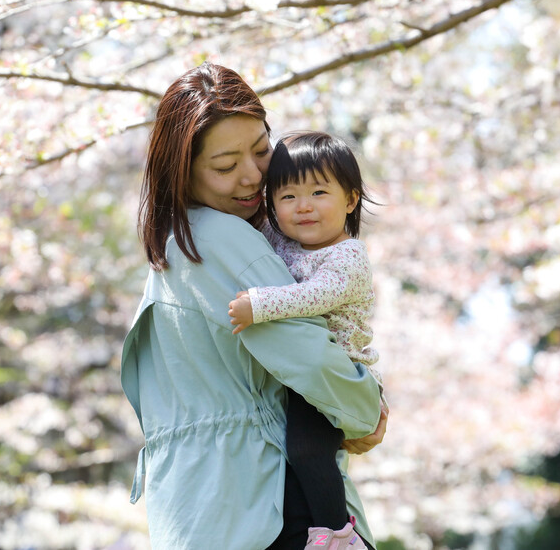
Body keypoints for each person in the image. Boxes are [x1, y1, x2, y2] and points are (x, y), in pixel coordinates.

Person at [121, 62, 387, 550]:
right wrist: (367, 408)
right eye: (225, 166)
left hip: (197, 513)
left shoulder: (170, 254)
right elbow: (306, 354)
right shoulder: (223, 239)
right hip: (274, 505)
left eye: (262, 150)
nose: (251, 176)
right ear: (181, 170)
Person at [227, 131, 382, 546]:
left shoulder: (347, 256)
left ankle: (336, 535)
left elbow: (316, 295)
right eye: (288, 197)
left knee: (308, 450)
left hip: (337, 376)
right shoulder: (285, 241)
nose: (304, 206)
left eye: (318, 192)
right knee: (297, 455)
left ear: (350, 200)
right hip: (303, 379)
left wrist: (258, 305)